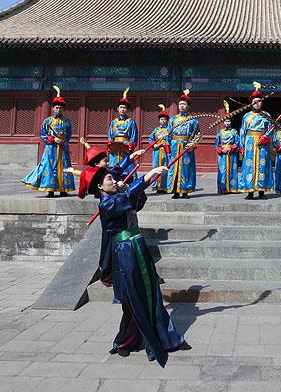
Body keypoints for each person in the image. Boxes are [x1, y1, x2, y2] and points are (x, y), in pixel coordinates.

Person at [78, 164, 190, 367]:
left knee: (151, 294)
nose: (113, 181)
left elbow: (136, 201)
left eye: (113, 178)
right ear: (100, 187)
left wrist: (133, 186)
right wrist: (146, 177)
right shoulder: (107, 204)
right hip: (125, 253)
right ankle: (125, 341)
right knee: (135, 300)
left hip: (138, 246)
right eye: (109, 179)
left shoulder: (117, 197)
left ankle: (167, 338)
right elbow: (127, 199)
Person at [22, 86, 76, 197]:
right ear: (52, 108)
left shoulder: (67, 122)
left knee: (64, 167)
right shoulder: (47, 121)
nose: (58, 110)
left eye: (60, 108)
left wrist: (64, 141)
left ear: (63, 109)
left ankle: (63, 189)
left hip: (62, 148)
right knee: (49, 167)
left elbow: (69, 135)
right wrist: (52, 139)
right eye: (56, 107)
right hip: (51, 148)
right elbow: (42, 134)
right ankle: (50, 190)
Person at [239, 82, 274, 199]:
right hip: (249, 142)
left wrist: (265, 138)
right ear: (251, 103)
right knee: (249, 165)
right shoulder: (246, 116)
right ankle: (250, 192)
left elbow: (271, 129)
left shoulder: (266, 115)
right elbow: (243, 131)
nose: (257, 103)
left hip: (262, 143)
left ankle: (261, 192)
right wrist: (242, 146)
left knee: (262, 166)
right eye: (255, 101)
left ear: (262, 103)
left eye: (259, 101)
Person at [166, 89, 200, 199]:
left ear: (188, 106)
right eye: (180, 104)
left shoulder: (193, 120)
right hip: (175, 146)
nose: (182, 106)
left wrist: (193, 144)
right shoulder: (173, 119)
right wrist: (168, 148)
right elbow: (168, 135)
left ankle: (185, 191)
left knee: (186, 168)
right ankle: (175, 191)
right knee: (174, 168)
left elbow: (197, 135)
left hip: (186, 147)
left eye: (184, 104)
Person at [108, 88, 139, 177]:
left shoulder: (131, 122)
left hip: (126, 148)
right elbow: (110, 136)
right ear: (117, 109)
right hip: (115, 148)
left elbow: (133, 137)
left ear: (127, 109)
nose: (122, 109)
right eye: (121, 107)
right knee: (113, 167)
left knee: (127, 167)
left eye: (124, 107)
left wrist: (130, 146)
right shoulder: (113, 122)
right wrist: (110, 145)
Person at [216, 102, 241, 194]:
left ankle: (232, 188)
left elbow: (237, 142)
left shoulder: (234, 132)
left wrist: (231, 148)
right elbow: (217, 145)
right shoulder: (220, 132)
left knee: (232, 170)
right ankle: (222, 188)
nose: (227, 123)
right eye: (226, 121)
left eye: (229, 121)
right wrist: (222, 150)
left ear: (231, 122)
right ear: (223, 122)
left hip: (232, 153)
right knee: (222, 171)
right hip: (223, 154)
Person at [147, 105, 171, 193]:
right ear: (159, 120)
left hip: (166, 151)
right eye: (161, 119)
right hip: (157, 151)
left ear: (167, 121)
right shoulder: (156, 130)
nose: (163, 121)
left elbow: (171, 140)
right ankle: (156, 185)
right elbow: (150, 139)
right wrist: (154, 145)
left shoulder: (169, 130)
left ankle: (165, 186)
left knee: (165, 167)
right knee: (156, 167)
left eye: (165, 119)